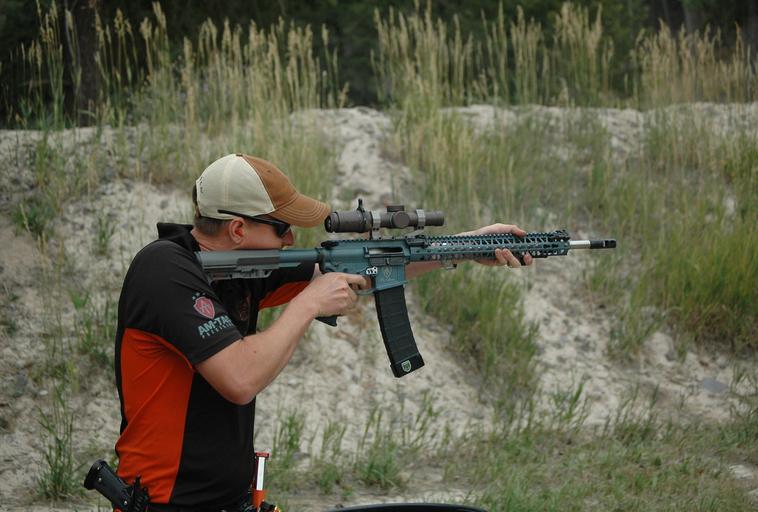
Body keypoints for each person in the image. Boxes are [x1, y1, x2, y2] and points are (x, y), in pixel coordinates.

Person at [113, 153, 532, 511]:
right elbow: (239, 378)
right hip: (166, 503)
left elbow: (369, 266)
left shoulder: (242, 265)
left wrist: (464, 247)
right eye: (282, 228)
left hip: (229, 501)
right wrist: (309, 303)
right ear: (238, 230)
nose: (291, 238)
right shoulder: (164, 270)